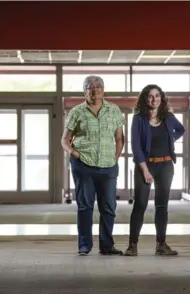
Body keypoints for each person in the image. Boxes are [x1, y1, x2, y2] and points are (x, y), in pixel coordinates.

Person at [61, 75, 125, 256]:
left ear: (103, 90)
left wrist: (115, 158)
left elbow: (119, 138)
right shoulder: (77, 112)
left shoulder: (114, 110)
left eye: (98, 86)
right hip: (84, 165)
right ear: (85, 91)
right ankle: (84, 245)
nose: (95, 89)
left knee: (109, 207)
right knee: (85, 206)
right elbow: (65, 139)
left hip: (108, 166)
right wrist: (74, 153)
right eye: (90, 87)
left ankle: (107, 246)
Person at [124, 84, 185, 256]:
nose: (154, 99)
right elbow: (136, 148)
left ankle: (161, 244)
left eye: (157, 96)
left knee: (161, 205)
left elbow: (181, 129)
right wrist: (145, 170)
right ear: (145, 98)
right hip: (146, 165)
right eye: (150, 96)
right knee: (140, 204)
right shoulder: (138, 119)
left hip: (165, 166)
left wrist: (170, 140)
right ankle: (132, 245)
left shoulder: (168, 117)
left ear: (161, 97)